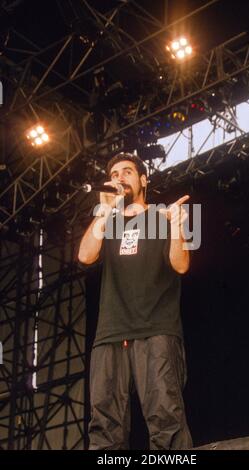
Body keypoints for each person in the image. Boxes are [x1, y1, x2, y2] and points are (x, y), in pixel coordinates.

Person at [78, 152, 193, 450]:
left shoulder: (165, 216)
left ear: (143, 180)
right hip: (110, 332)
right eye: (114, 174)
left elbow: (181, 266)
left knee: (165, 417)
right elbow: (85, 256)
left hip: (156, 328)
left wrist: (179, 228)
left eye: (127, 172)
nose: (119, 178)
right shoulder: (108, 221)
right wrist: (103, 214)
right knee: (104, 424)